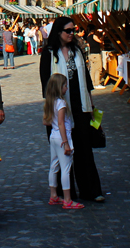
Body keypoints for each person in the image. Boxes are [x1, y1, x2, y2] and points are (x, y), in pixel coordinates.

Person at [40, 16, 103, 203]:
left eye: (73, 30)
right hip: (59, 108)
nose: (72, 33)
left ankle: (91, 190)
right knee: (63, 150)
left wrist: (90, 104)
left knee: (84, 148)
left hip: (80, 105)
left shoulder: (77, 51)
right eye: (68, 30)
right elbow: (46, 85)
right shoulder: (49, 54)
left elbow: (87, 80)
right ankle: (63, 193)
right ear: (58, 32)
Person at [44, 72, 81, 209]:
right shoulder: (61, 103)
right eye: (65, 85)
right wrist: (66, 143)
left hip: (53, 136)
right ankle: (67, 199)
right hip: (61, 138)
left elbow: (45, 121)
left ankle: (53, 195)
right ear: (60, 87)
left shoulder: (50, 102)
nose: (67, 88)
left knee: (54, 166)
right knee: (66, 169)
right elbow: (61, 124)